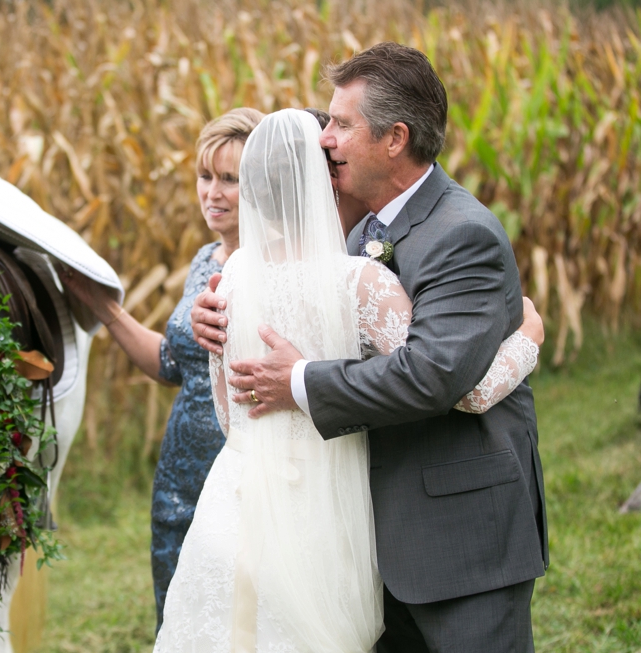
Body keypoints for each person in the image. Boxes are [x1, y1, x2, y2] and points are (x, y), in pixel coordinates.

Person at [192, 43, 547, 652]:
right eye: (324, 125)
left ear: (395, 138)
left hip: (459, 538)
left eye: (340, 124)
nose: (327, 139)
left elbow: (434, 376)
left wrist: (299, 380)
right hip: (360, 537)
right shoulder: (354, 236)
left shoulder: (461, 233)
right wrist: (222, 322)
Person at [59, 107, 263, 628]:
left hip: (238, 469)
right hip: (178, 470)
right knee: (178, 613)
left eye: (230, 180)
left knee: (229, 616)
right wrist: (104, 308)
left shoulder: (273, 266)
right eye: (205, 176)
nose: (212, 193)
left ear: (262, 183)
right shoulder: (204, 259)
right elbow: (172, 364)